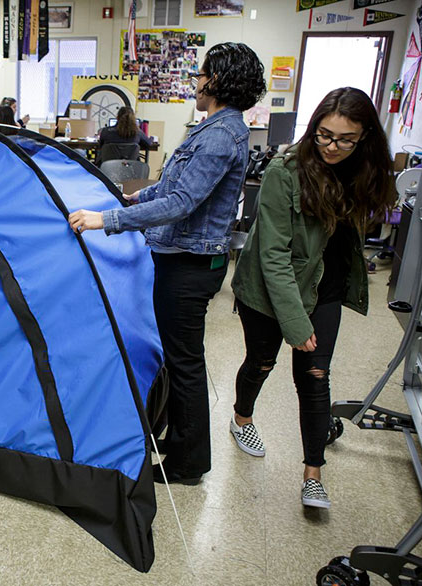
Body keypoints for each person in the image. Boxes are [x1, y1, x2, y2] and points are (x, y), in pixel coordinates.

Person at [68, 42, 266, 485]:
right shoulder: (216, 127)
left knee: (184, 362)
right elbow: (174, 187)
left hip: (190, 266)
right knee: (180, 358)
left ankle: (186, 463)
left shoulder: (218, 134)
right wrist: (137, 196)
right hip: (183, 259)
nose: (195, 80)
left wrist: (109, 219)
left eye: (201, 74)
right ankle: (178, 445)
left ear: (217, 80)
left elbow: (182, 202)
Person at [229, 87, 394, 508]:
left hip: (326, 286)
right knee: (261, 362)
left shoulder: (363, 168)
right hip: (269, 290)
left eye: (345, 139)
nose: (332, 146)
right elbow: (273, 255)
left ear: (364, 137)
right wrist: (295, 323)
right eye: (324, 135)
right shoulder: (285, 171)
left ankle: (313, 474)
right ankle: (241, 418)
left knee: (315, 377)